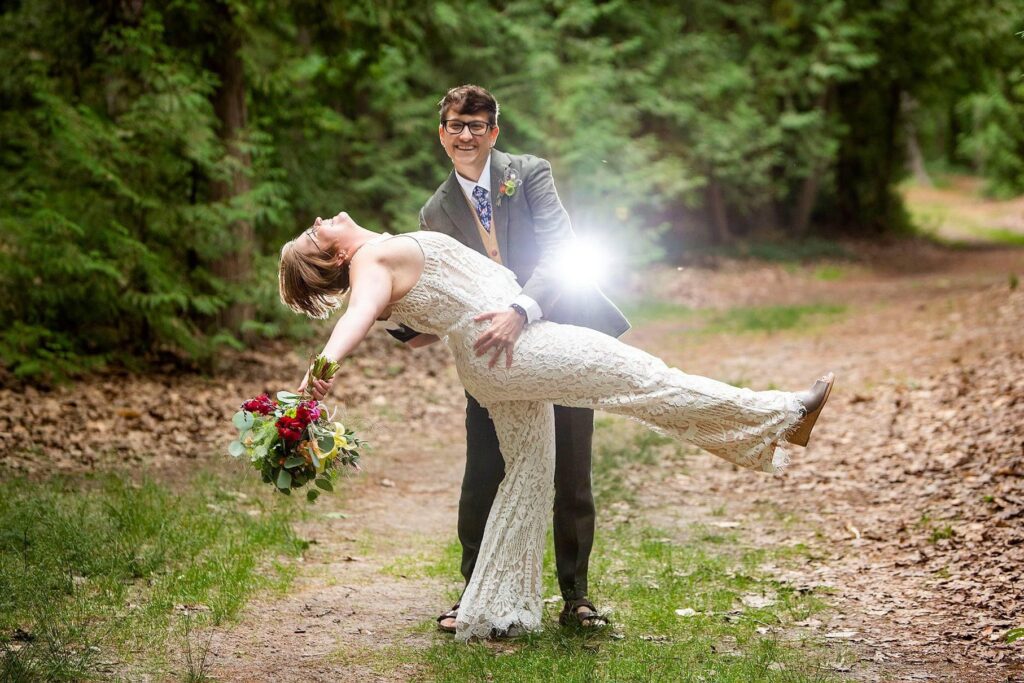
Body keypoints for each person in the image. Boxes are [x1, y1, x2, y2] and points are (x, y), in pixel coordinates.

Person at [280, 211, 835, 642]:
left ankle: (500, 610)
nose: (322, 219)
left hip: (489, 360)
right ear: (333, 251)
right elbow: (357, 315)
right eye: (314, 231)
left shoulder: (380, 257)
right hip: (514, 350)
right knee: (643, 377)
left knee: (528, 473)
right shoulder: (369, 263)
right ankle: (782, 416)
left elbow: (425, 326)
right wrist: (322, 368)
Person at [401, 85, 629, 632]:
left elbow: (559, 249)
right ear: (442, 134)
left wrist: (523, 309)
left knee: (572, 468)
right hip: (491, 355)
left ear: (494, 132)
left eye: (477, 125)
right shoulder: (436, 210)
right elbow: (439, 286)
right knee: (484, 469)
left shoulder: (527, 174)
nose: (466, 135)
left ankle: (576, 599)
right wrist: (397, 318)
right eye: (456, 125)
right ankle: (472, 594)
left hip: (561, 327)